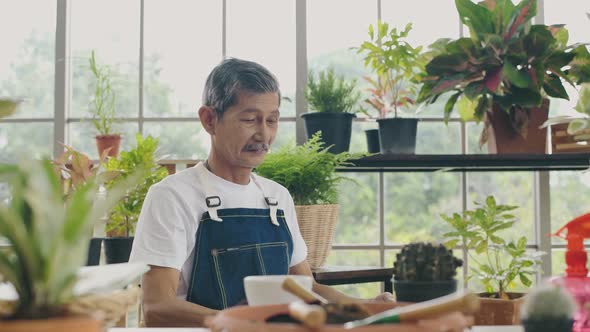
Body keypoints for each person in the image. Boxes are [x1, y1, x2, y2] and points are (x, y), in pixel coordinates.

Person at [129, 58, 394, 327]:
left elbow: (307, 289)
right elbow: (157, 307)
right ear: (209, 120)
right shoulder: (172, 196)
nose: (263, 134)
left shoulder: (277, 198)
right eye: (249, 119)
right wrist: (249, 324)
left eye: (272, 120)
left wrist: (366, 308)